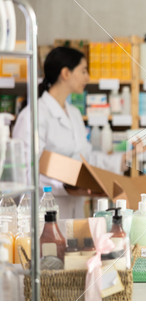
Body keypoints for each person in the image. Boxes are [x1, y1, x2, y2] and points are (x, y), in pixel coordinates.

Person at [13, 46, 129, 219]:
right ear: (66, 73)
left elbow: (85, 158)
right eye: (83, 71)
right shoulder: (33, 115)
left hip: (74, 212)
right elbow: (25, 173)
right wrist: (66, 187)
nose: (88, 77)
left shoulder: (74, 113)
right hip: (42, 213)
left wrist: (122, 159)